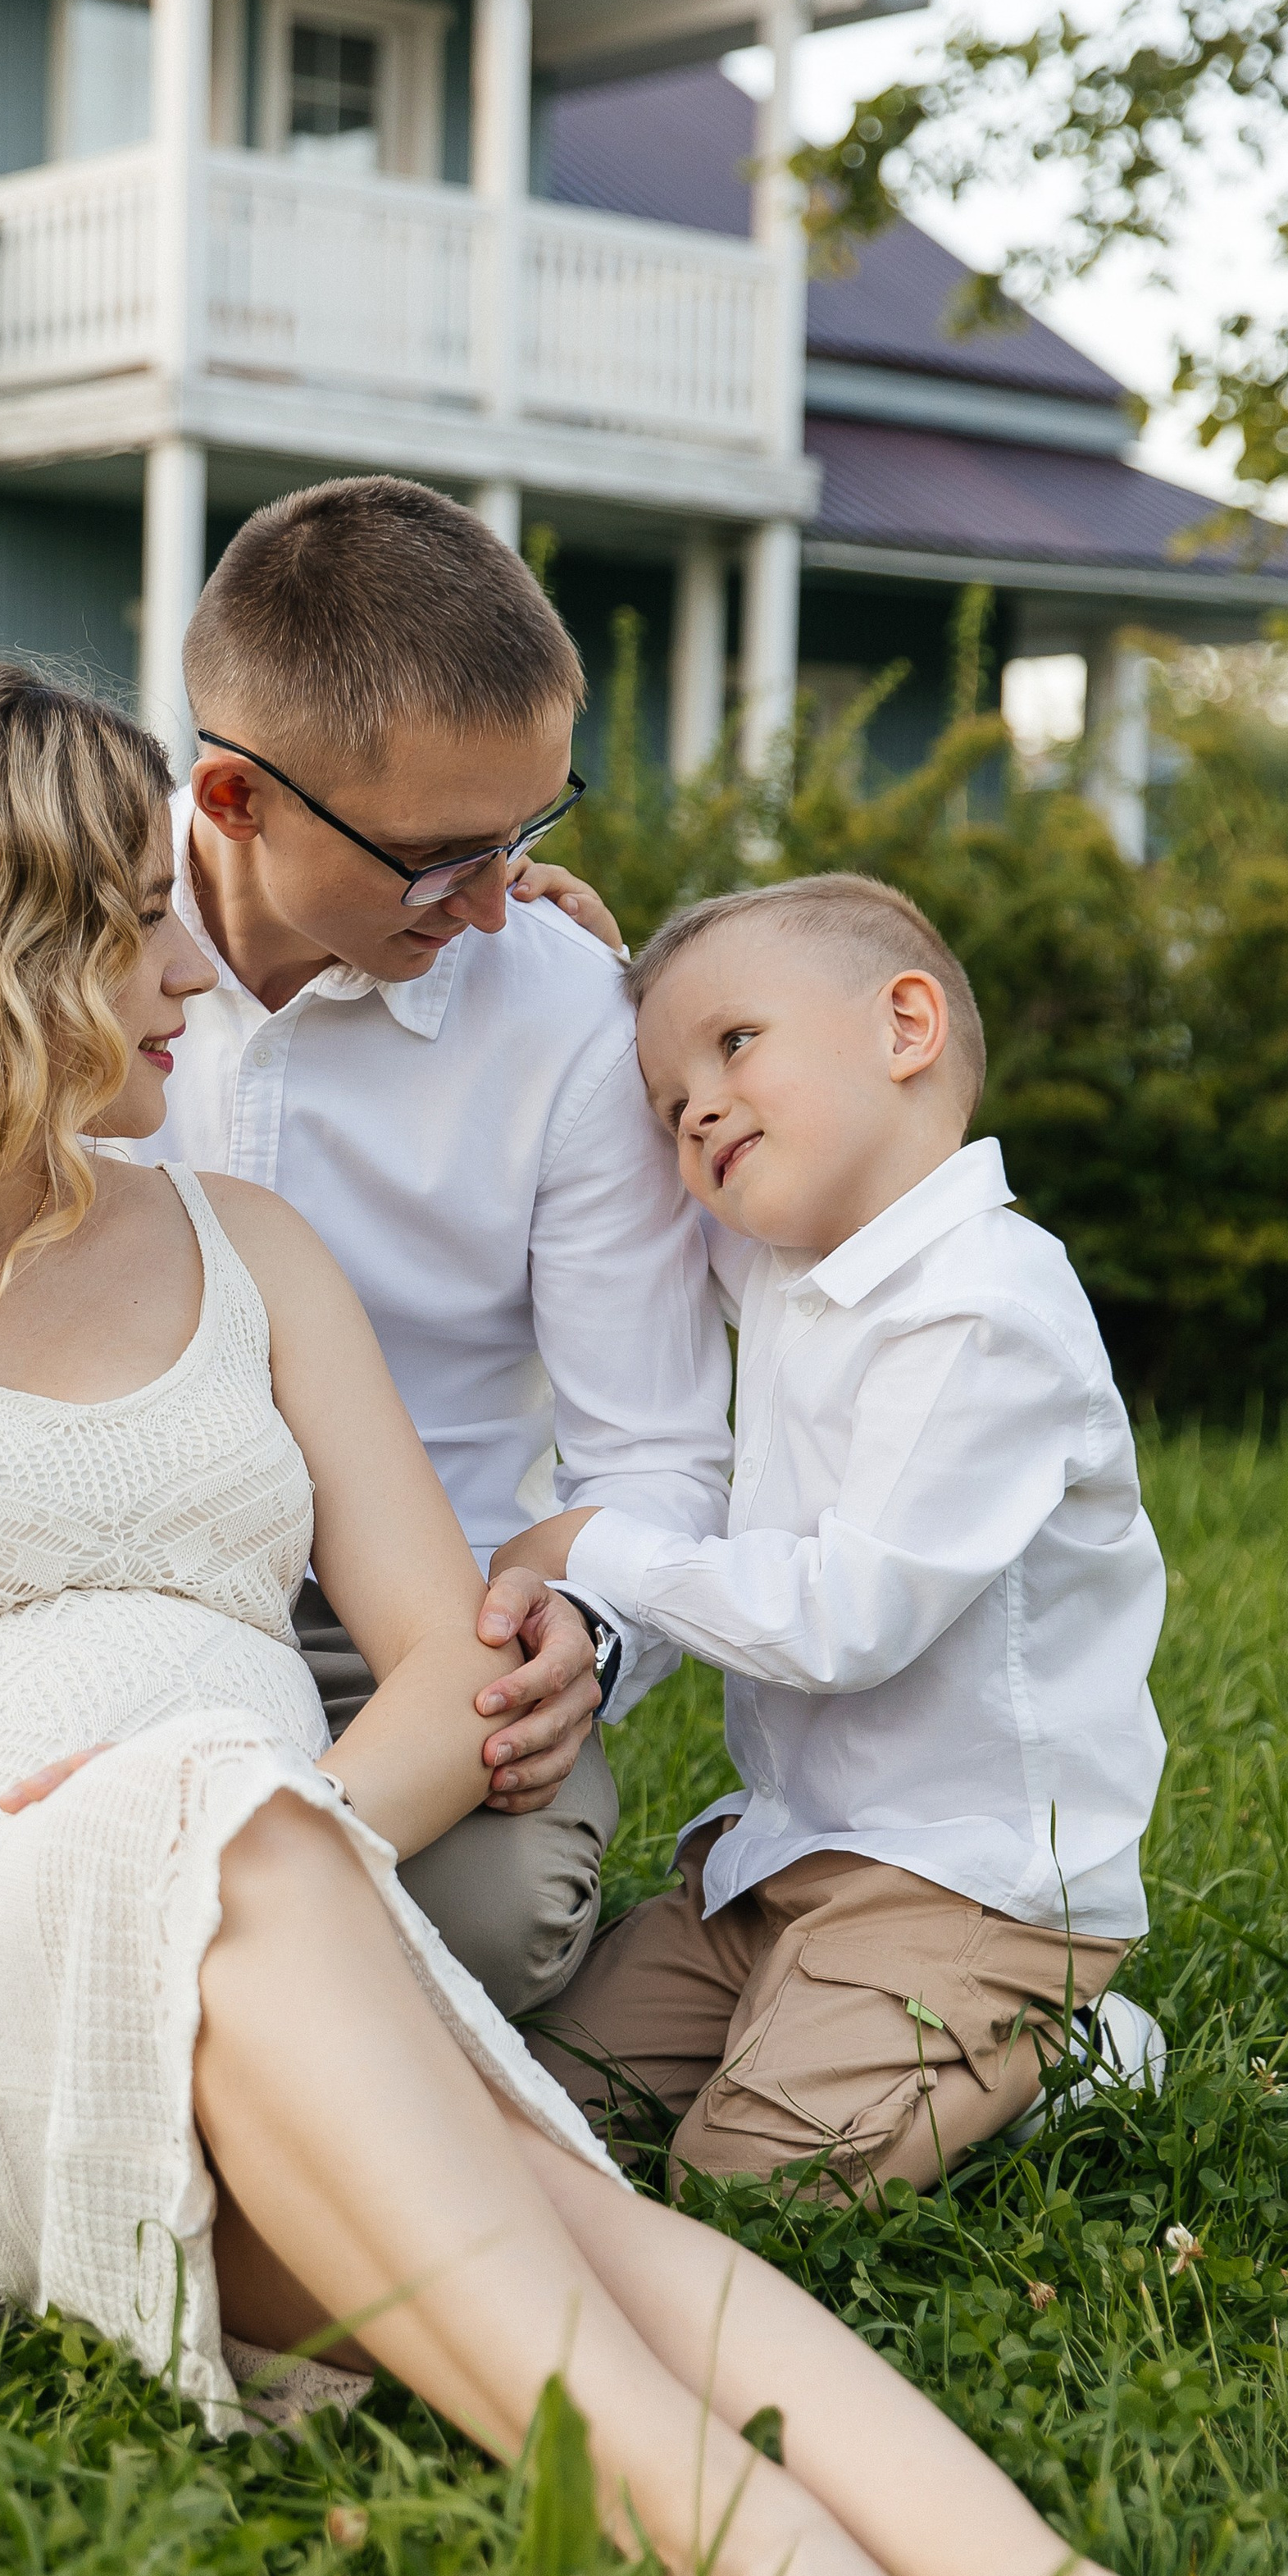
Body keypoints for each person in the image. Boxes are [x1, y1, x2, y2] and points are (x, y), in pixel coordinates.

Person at [0, 661, 1288, 2576]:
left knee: (573, 2224)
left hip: (243, 1924)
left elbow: (447, 1670)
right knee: (308, 1930)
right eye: (130, 926)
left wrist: (251, 1833)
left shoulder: (248, 1251)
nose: (190, 973)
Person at [0, 479, 733, 2018]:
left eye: (526, 835)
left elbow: (662, 1452)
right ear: (232, 799)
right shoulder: (25, 924)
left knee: (478, 1929)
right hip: (36, 1564)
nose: (495, 905)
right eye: (439, 855)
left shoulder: (567, 1022)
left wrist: (587, 1640)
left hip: (415, 1623)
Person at [498, 875, 1167, 2196]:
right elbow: (655, 1219)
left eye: (737, 1044)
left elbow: (846, 1621)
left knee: (748, 2186)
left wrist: (593, 1548)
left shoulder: (985, 1310)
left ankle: (1068, 2040)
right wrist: (587, 968)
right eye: (670, 1103)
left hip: (967, 1889)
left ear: (905, 1027)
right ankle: (805, 2013)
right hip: (780, 1864)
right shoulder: (801, 1263)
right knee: (532, 2108)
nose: (697, 1111)